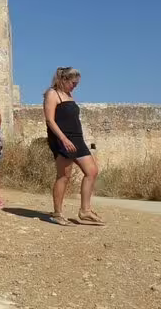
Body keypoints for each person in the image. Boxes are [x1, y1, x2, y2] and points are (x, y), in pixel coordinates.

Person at [44, 67, 104, 226]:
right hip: (62, 139)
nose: (75, 86)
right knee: (64, 176)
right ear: (63, 80)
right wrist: (63, 139)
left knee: (92, 171)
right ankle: (57, 213)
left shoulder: (69, 95)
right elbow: (50, 120)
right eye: (73, 83)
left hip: (77, 139)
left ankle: (85, 211)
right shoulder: (52, 94)